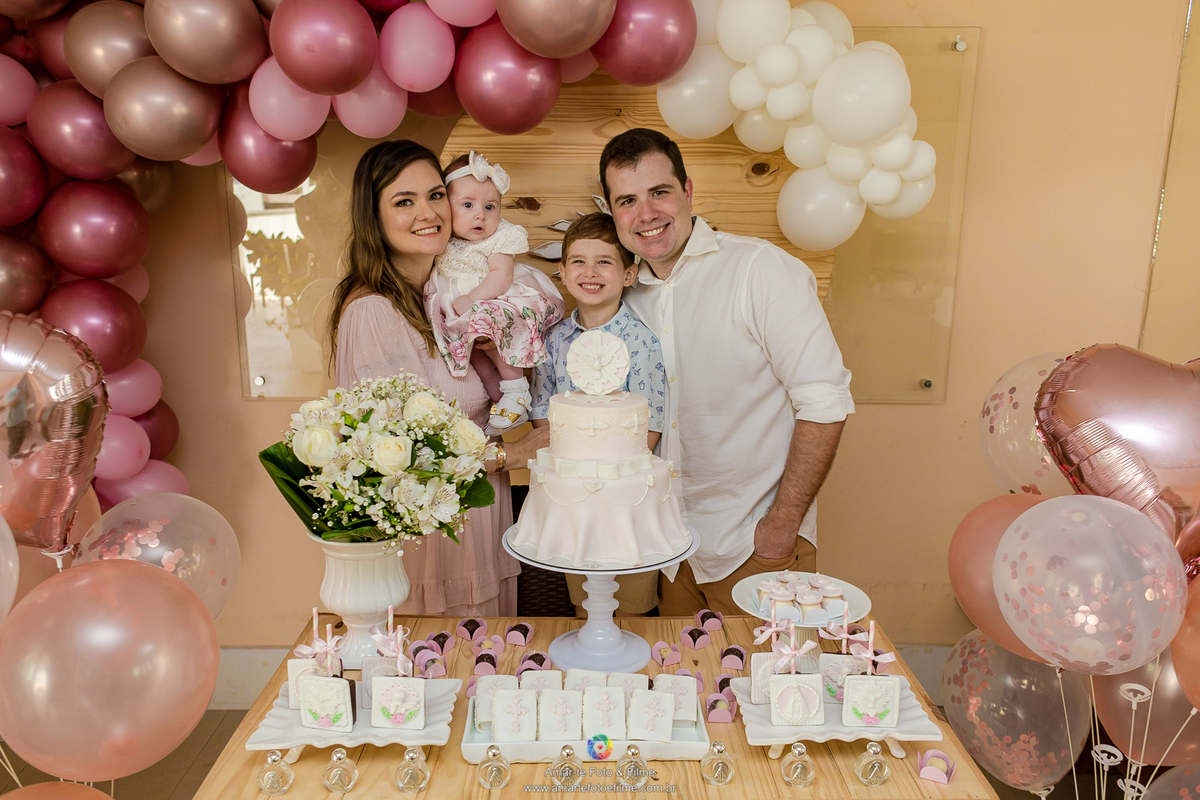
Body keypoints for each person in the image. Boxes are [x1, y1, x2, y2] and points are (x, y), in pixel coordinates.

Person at [599, 127, 855, 616]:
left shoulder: (759, 270)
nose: (646, 214)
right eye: (627, 200)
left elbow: (825, 402)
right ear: (612, 211)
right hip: (670, 553)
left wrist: (781, 527)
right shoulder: (622, 296)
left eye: (660, 192)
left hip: (753, 547)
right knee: (685, 688)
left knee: (765, 691)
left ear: (688, 191)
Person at [328, 140, 546, 617]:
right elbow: (398, 464)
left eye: (434, 195)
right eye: (403, 201)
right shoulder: (373, 312)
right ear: (374, 218)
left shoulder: (438, 299)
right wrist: (513, 453)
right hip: (431, 549)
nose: (427, 212)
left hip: (480, 523)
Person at [529, 213, 667, 617]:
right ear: (562, 272)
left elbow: (649, 425)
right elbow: (543, 411)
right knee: (585, 605)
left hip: (628, 503)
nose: (590, 272)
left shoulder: (641, 341)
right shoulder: (554, 341)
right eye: (578, 261)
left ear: (629, 274)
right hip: (573, 501)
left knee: (630, 609)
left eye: (605, 261)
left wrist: (606, 478)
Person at [425, 151, 565, 434]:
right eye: (467, 205)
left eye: (490, 206)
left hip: (492, 299)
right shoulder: (443, 235)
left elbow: (501, 277)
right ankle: (502, 402)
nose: (480, 214)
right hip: (457, 312)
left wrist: (472, 300)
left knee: (498, 338)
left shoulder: (500, 235)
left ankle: (517, 387)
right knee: (473, 357)